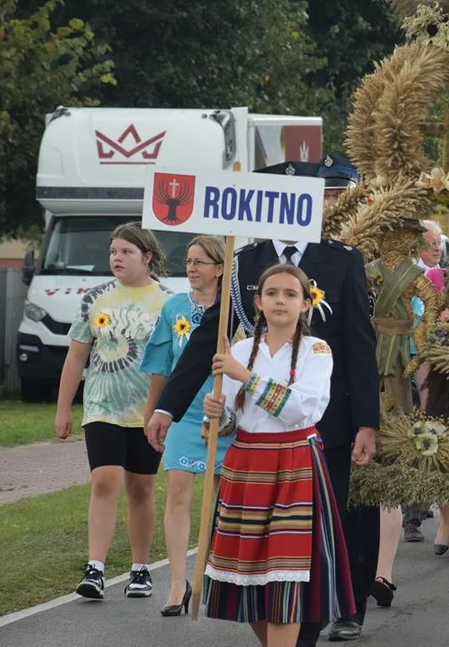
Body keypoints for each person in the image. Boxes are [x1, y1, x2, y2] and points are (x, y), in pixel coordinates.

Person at [145, 161, 380, 644]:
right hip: (253, 443)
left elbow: (359, 344)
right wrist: (171, 406)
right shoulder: (243, 262)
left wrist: (367, 424)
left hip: (321, 429)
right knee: (256, 554)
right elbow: (210, 340)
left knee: (311, 545)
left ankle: (315, 626)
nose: (276, 298)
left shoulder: (343, 261)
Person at [200, 264, 354, 647]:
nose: (280, 300)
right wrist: (215, 416)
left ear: (306, 304)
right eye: (271, 293)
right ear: (258, 301)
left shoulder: (316, 350)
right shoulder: (237, 349)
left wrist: (245, 376)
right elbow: (229, 423)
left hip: (294, 463)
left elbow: (302, 410)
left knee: (285, 573)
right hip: (246, 463)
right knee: (247, 573)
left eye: (289, 294)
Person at [56, 222, 171, 600]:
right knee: (104, 481)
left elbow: (175, 361)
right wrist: (63, 409)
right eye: (113, 251)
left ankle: (140, 569)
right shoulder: (95, 299)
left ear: (147, 257)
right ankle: (96, 569)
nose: (117, 258)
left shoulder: (168, 302)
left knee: (141, 487)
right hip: (102, 407)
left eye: (126, 252)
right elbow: (76, 355)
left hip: (147, 413)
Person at [140, 235, 233, 616]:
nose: (192, 268)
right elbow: (161, 370)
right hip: (182, 414)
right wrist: (155, 414)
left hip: (225, 416)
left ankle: (213, 568)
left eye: (201, 261)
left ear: (221, 268)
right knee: (178, 491)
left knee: (220, 497)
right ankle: (178, 582)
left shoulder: (237, 309)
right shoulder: (173, 307)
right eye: (189, 261)